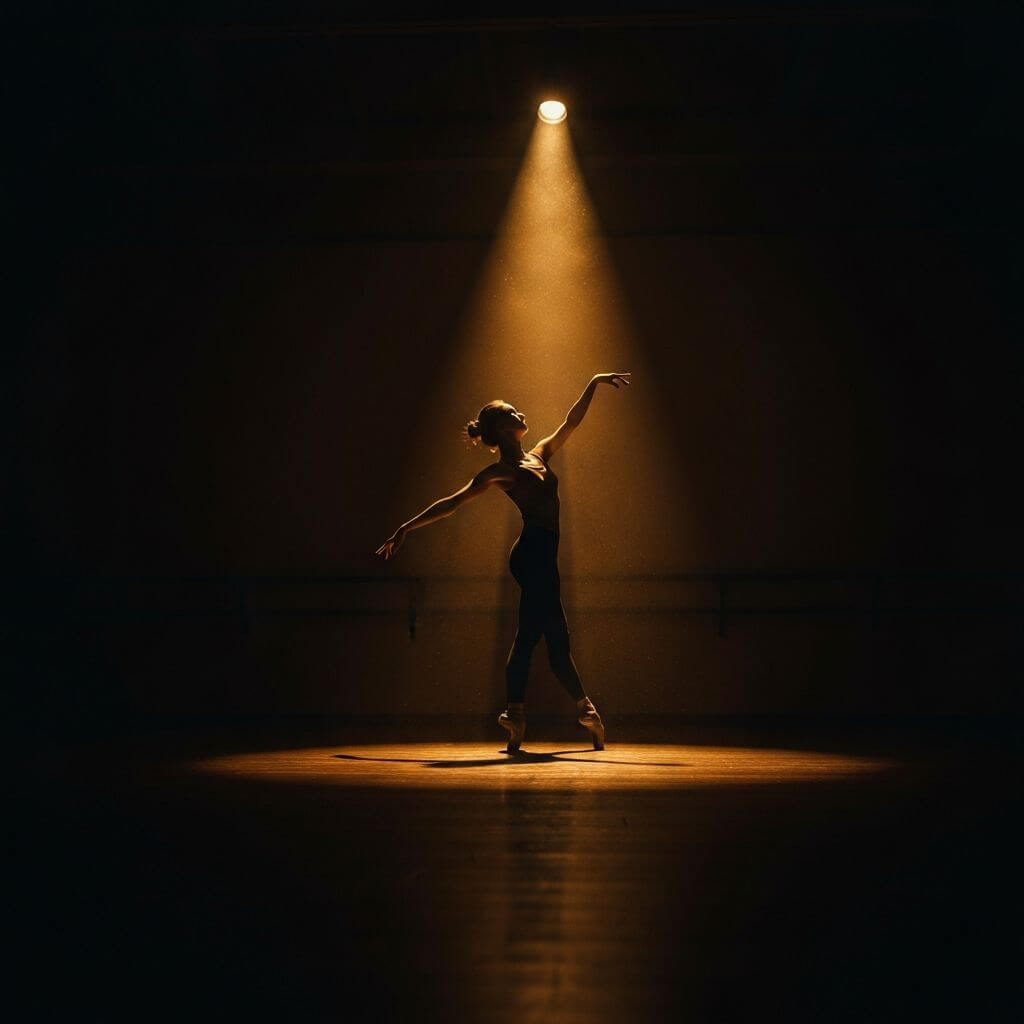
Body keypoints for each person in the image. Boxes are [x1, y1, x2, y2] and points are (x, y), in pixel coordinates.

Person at [375, 372, 631, 752]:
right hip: (531, 555)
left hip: (544, 556)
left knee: (542, 638)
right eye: (512, 412)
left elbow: (570, 422)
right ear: (501, 428)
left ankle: (528, 714)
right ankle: (573, 710)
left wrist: (592, 382)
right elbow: (452, 503)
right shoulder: (501, 472)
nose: (521, 412)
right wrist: (406, 527)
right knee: (550, 638)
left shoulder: (539, 454)